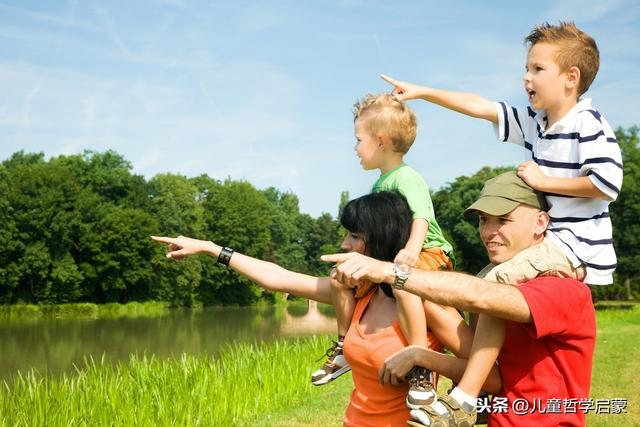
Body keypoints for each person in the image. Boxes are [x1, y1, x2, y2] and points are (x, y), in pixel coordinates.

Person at [380, 21, 622, 421]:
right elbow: (481, 106)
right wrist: (423, 92)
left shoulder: (588, 124)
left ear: (571, 78)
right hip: (549, 239)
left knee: (490, 286)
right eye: (526, 69)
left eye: (537, 69)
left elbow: (607, 182)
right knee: (484, 278)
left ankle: (468, 393)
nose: (526, 78)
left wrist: (545, 181)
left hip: (573, 245)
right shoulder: (537, 121)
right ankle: (483, 378)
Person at [151, 191, 489, 427]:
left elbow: (490, 374)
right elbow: (279, 278)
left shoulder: (426, 301)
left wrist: (421, 357)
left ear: (382, 238)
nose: (344, 244)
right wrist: (211, 249)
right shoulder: (359, 295)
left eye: (355, 235)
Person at [323, 171, 597, 426]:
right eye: (483, 220)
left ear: (540, 222)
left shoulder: (562, 290)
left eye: (503, 220)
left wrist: (389, 271)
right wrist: (422, 355)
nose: (489, 233)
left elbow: (480, 295)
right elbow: (494, 372)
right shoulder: (496, 284)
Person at [315, 93, 455, 412]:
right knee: (338, 279)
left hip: (428, 252)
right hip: (392, 257)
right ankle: (343, 345)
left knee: (402, 284)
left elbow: (420, 217)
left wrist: (409, 252)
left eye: (358, 139)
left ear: (380, 141)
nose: (354, 147)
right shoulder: (381, 184)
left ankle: (420, 365)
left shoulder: (407, 177)